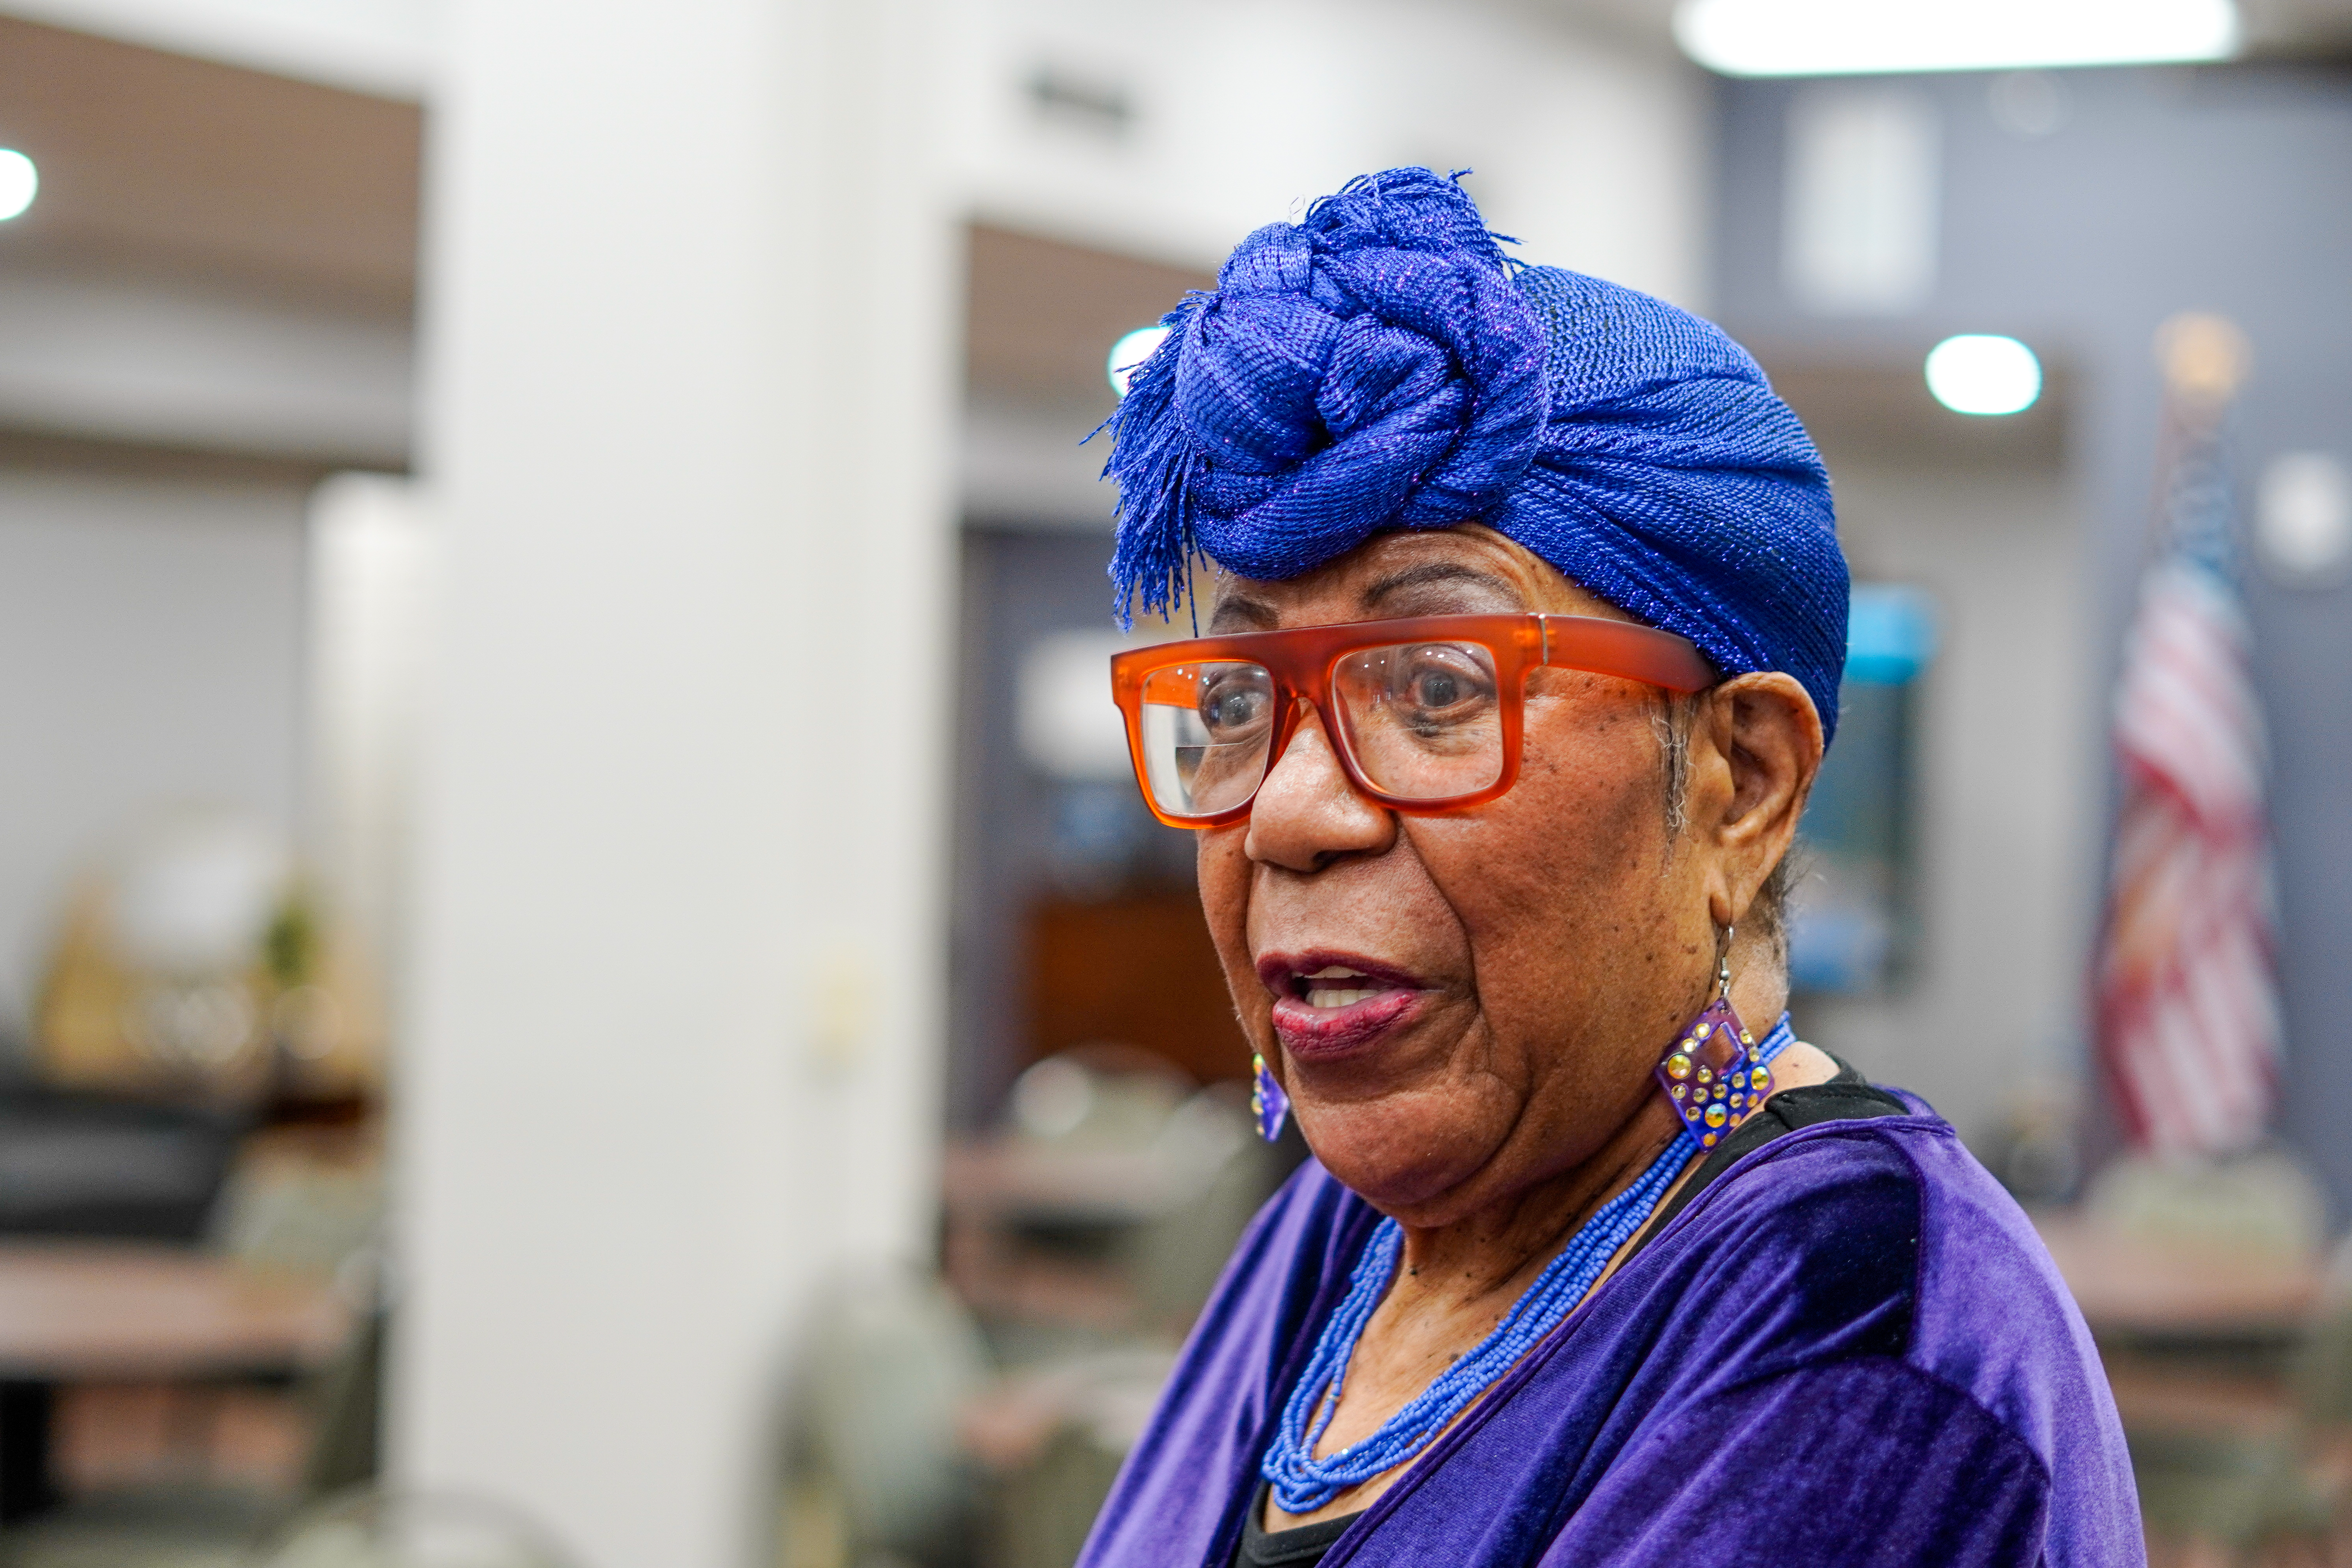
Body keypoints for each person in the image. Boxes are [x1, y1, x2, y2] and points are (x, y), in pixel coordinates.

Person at [1076, 169, 2140, 1568]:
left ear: (1742, 782)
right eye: (1233, 703)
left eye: (1438, 687)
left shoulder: (1870, 1331)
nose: (1286, 812)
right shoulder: (1344, 1237)